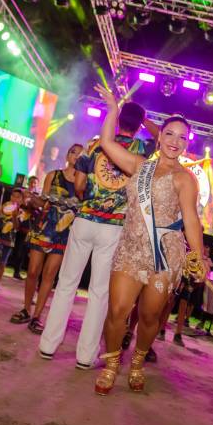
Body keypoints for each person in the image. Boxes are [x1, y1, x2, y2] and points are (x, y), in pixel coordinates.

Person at [92, 84, 207, 395]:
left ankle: (138, 361)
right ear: (159, 135)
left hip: (165, 254)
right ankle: (112, 364)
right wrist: (114, 109)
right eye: (170, 134)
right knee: (118, 310)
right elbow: (106, 142)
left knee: (149, 315)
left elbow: (191, 220)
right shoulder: (138, 165)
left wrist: (198, 256)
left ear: (187, 144)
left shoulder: (185, 178)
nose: (175, 141)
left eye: (182, 137)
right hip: (131, 246)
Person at [38, 97, 156, 369]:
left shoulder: (95, 144)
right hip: (114, 227)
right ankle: (85, 356)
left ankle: (48, 345)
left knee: (66, 283)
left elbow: (79, 184)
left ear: (118, 119)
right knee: (100, 292)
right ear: (138, 125)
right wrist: (144, 120)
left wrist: (90, 198)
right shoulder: (142, 148)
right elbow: (161, 137)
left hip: (85, 219)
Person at [9, 144, 82, 331]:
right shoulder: (53, 175)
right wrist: (31, 199)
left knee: (49, 275)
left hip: (64, 232)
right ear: (68, 155)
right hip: (44, 227)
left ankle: (37, 316)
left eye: (80, 154)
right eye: (73, 152)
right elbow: (43, 201)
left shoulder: (84, 183)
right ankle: (26, 309)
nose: (76, 156)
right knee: (33, 271)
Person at [11, 175, 41, 280]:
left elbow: (38, 208)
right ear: (28, 182)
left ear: (37, 185)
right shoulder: (22, 193)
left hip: (31, 226)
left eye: (35, 183)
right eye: (31, 182)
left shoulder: (38, 196)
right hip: (20, 222)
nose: (33, 184)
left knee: (25, 250)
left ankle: (19, 271)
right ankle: (10, 267)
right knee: (16, 247)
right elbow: (18, 204)